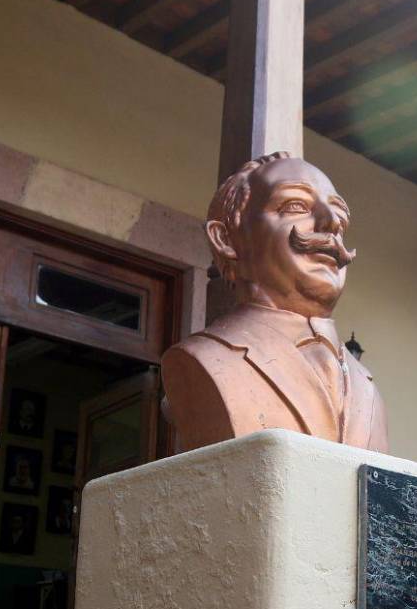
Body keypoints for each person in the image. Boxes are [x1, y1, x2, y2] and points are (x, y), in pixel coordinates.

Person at [161, 153, 388, 452]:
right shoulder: (204, 358)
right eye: (296, 206)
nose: (332, 223)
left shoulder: (365, 386)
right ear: (226, 239)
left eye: (340, 217)